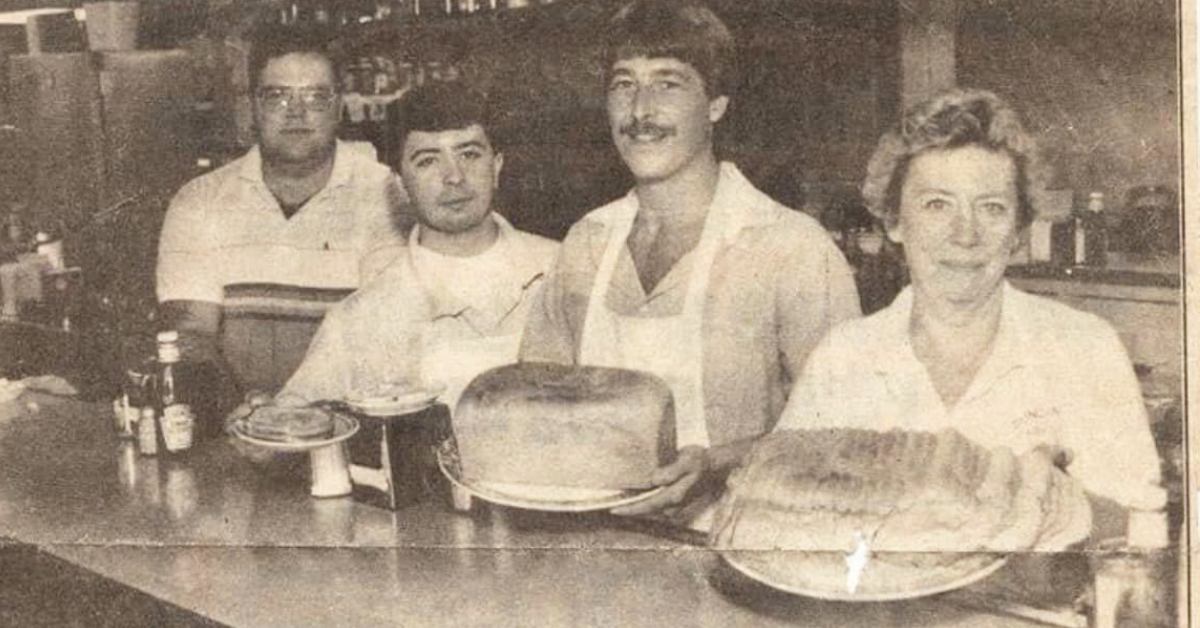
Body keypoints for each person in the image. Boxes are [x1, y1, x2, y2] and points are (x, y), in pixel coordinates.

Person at [519, 0, 860, 524]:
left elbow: (847, 430)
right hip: (595, 545)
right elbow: (535, 407)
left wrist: (718, 463)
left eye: (669, 83)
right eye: (623, 84)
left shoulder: (790, 248)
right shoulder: (585, 244)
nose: (640, 112)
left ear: (717, 104)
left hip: (741, 543)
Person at [775, 88, 1165, 525]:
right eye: (937, 205)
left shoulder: (1085, 347)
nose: (965, 235)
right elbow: (786, 511)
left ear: (1018, 231)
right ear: (894, 222)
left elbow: (1144, 526)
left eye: (992, 208)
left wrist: (1060, 503)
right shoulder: (844, 355)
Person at [277, 80, 558, 409]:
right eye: (427, 160)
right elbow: (292, 419)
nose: (454, 176)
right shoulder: (363, 316)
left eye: (469, 154)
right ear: (400, 185)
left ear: (496, 167)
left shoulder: (564, 269)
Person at [155, 25, 406, 389]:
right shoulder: (199, 201)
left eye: (315, 97)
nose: (296, 113)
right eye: (278, 96)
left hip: (348, 427)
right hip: (237, 427)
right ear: (253, 105)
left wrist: (295, 413)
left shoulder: (385, 194)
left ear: (339, 107)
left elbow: (383, 336)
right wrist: (243, 415)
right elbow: (191, 334)